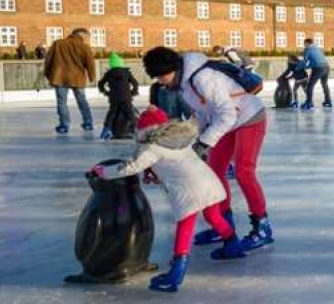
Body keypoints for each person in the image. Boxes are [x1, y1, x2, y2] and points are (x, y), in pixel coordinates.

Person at [92, 106, 245, 292]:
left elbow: (131, 167)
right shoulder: (177, 139)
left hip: (190, 190)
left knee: (185, 226)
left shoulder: (152, 147)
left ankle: (175, 274)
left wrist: (104, 172)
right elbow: (175, 164)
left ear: (144, 130)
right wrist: (156, 175)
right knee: (214, 217)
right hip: (209, 182)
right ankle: (233, 244)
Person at [142, 46, 274, 252]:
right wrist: (195, 141)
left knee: (243, 171)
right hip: (226, 121)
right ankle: (222, 223)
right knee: (214, 171)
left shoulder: (203, 78)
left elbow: (227, 113)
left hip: (249, 117)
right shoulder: (185, 85)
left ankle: (262, 227)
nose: (160, 81)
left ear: (172, 69)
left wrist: (205, 142)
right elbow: (204, 114)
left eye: (161, 75)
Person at [44, 28, 97, 134]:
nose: (87, 40)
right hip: (77, 78)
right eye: (86, 37)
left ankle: (64, 124)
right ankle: (88, 122)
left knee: (61, 102)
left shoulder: (58, 44)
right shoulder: (84, 47)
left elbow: (48, 60)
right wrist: (92, 77)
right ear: (81, 36)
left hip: (59, 77)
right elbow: (90, 63)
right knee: (82, 100)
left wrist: (48, 74)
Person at [97, 52, 140, 140]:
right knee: (130, 113)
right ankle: (137, 130)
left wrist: (105, 92)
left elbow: (100, 83)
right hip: (126, 97)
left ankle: (105, 131)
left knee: (111, 114)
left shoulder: (109, 73)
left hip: (114, 98)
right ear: (121, 63)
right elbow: (135, 83)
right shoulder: (126, 73)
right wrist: (133, 92)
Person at [292, 39, 331, 110]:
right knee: (324, 84)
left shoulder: (307, 49)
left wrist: (298, 68)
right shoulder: (318, 49)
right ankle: (328, 101)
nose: (304, 45)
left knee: (310, 85)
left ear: (307, 43)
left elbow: (305, 61)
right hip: (326, 67)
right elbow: (316, 60)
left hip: (318, 68)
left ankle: (309, 103)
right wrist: (308, 66)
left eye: (304, 44)